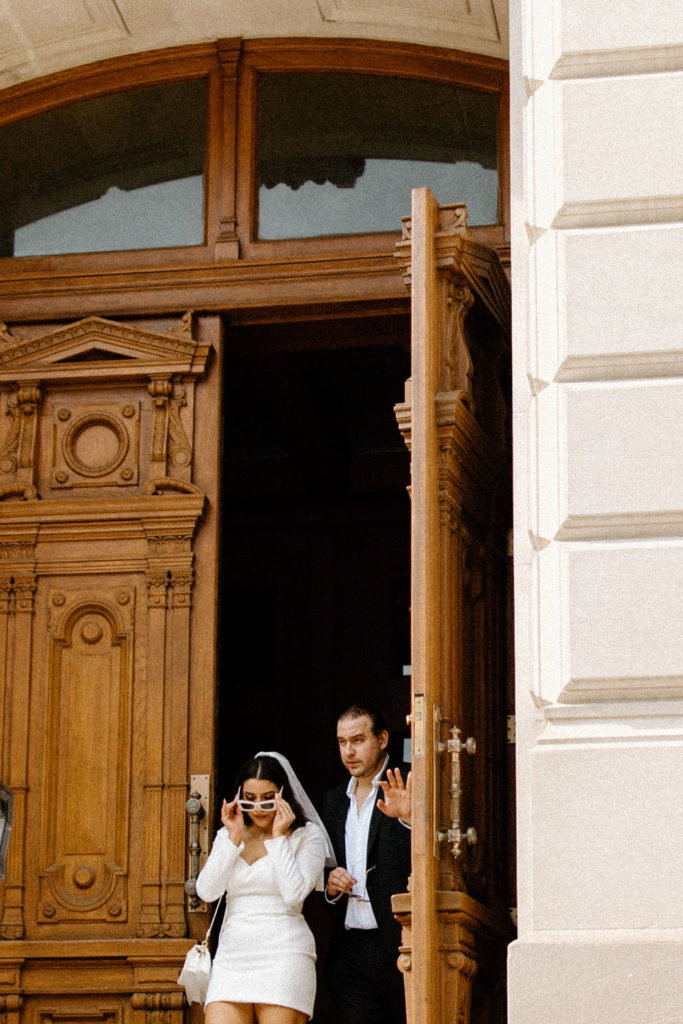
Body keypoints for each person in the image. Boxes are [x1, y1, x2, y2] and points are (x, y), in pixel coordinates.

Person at [196, 751, 335, 1024]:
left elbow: (294, 894)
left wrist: (278, 838)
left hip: (285, 953)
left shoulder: (307, 836)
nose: (258, 808)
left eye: (268, 798)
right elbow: (207, 891)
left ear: (283, 794)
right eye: (249, 800)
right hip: (233, 953)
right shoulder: (229, 835)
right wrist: (232, 838)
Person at [322, 703, 412, 1024]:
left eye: (358, 740)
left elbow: (430, 858)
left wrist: (408, 821)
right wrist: (329, 883)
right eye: (342, 742)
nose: (349, 751)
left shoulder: (408, 782)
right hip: (350, 947)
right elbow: (323, 863)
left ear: (383, 739)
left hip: (401, 942)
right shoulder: (334, 799)